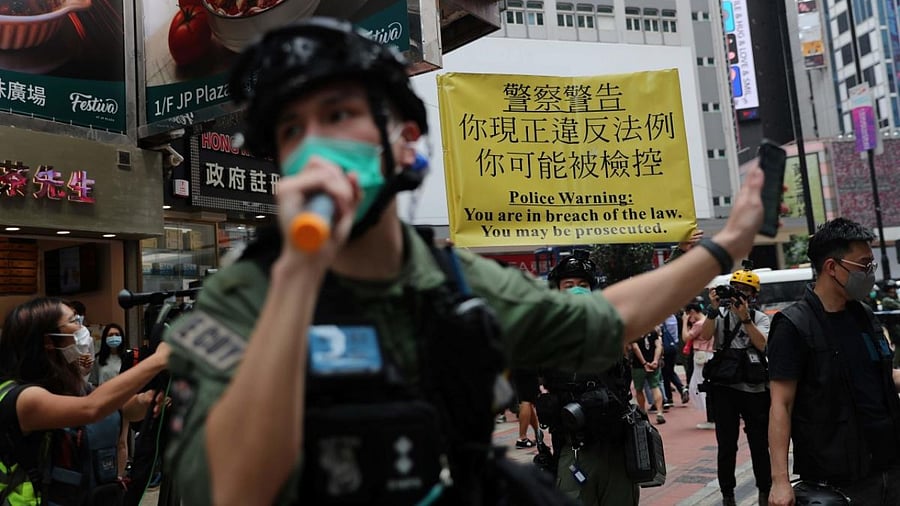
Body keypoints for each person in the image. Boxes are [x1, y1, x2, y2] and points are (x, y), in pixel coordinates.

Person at [161, 17, 765, 506]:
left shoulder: (453, 280)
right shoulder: (241, 297)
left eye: (340, 115)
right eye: (293, 129)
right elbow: (225, 489)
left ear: (405, 142)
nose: (317, 142)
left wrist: (720, 248)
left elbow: (599, 322)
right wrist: (296, 279)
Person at [768, 218, 900, 506]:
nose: (870, 273)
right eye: (864, 265)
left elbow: (881, 375)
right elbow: (782, 404)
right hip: (837, 482)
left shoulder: (863, 315)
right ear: (832, 267)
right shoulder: (793, 325)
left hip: (889, 469)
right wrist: (779, 481)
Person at [0, 298, 169, 505]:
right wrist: (159, 359)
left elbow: (121, 409)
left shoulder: (67, 384)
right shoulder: (23, 398)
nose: (83, 328)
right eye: (74, 321)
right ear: (49, 340)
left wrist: (144, 401)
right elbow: (92, 408)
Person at [539, 255, 638, 505]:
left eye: (583, 285)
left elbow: (659, 298)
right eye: (568, 285)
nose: (577, 291)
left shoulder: (613, 327)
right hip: (575, 452)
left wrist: (680, 253)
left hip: (617, 450)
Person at [697, 264, 771, 506]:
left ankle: (764, 490)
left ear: (753, 295)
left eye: (745, 291)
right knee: (726, 445)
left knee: (759, 444)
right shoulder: (719, 316)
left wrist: (746, 318)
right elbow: (706, 336)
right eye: (735, 289)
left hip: (754, 388)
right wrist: (712, 309)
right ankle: (727, 494)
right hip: (725, 387)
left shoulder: (761, 318)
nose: (739, 294)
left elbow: (763, 345)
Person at [683, 302, 714, 429]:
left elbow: (686, 337)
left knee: (699, 387)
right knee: (704, 386)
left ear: (692, 312)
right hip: (709, 354)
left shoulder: (699, 324)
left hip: (701, 356)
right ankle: (711, 416)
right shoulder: (708, 320)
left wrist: (684, 322)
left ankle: (711, 417)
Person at [630, 326, 666, 424]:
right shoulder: (653, 331)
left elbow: (635, 347)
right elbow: (659, 346)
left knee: (639, 389)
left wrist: (644, 363)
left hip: (638, 366)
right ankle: (659, 412)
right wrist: (655, 360)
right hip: (653, 364)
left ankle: (643, 413)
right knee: (655, 387)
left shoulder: (634, 332)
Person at [660, 313, 689, 409]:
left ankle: (669, 397)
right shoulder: (673, 318)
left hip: (665, 348)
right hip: (673, 346)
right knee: (670, 371)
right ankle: (680, 389)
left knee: (665, 373)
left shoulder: (662, 320)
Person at [511, 369, 542, 449]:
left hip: (517, 368)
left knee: (528, 401)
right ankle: (522, 438)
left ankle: (537, 433)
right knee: (526, 400)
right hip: (528, 368)